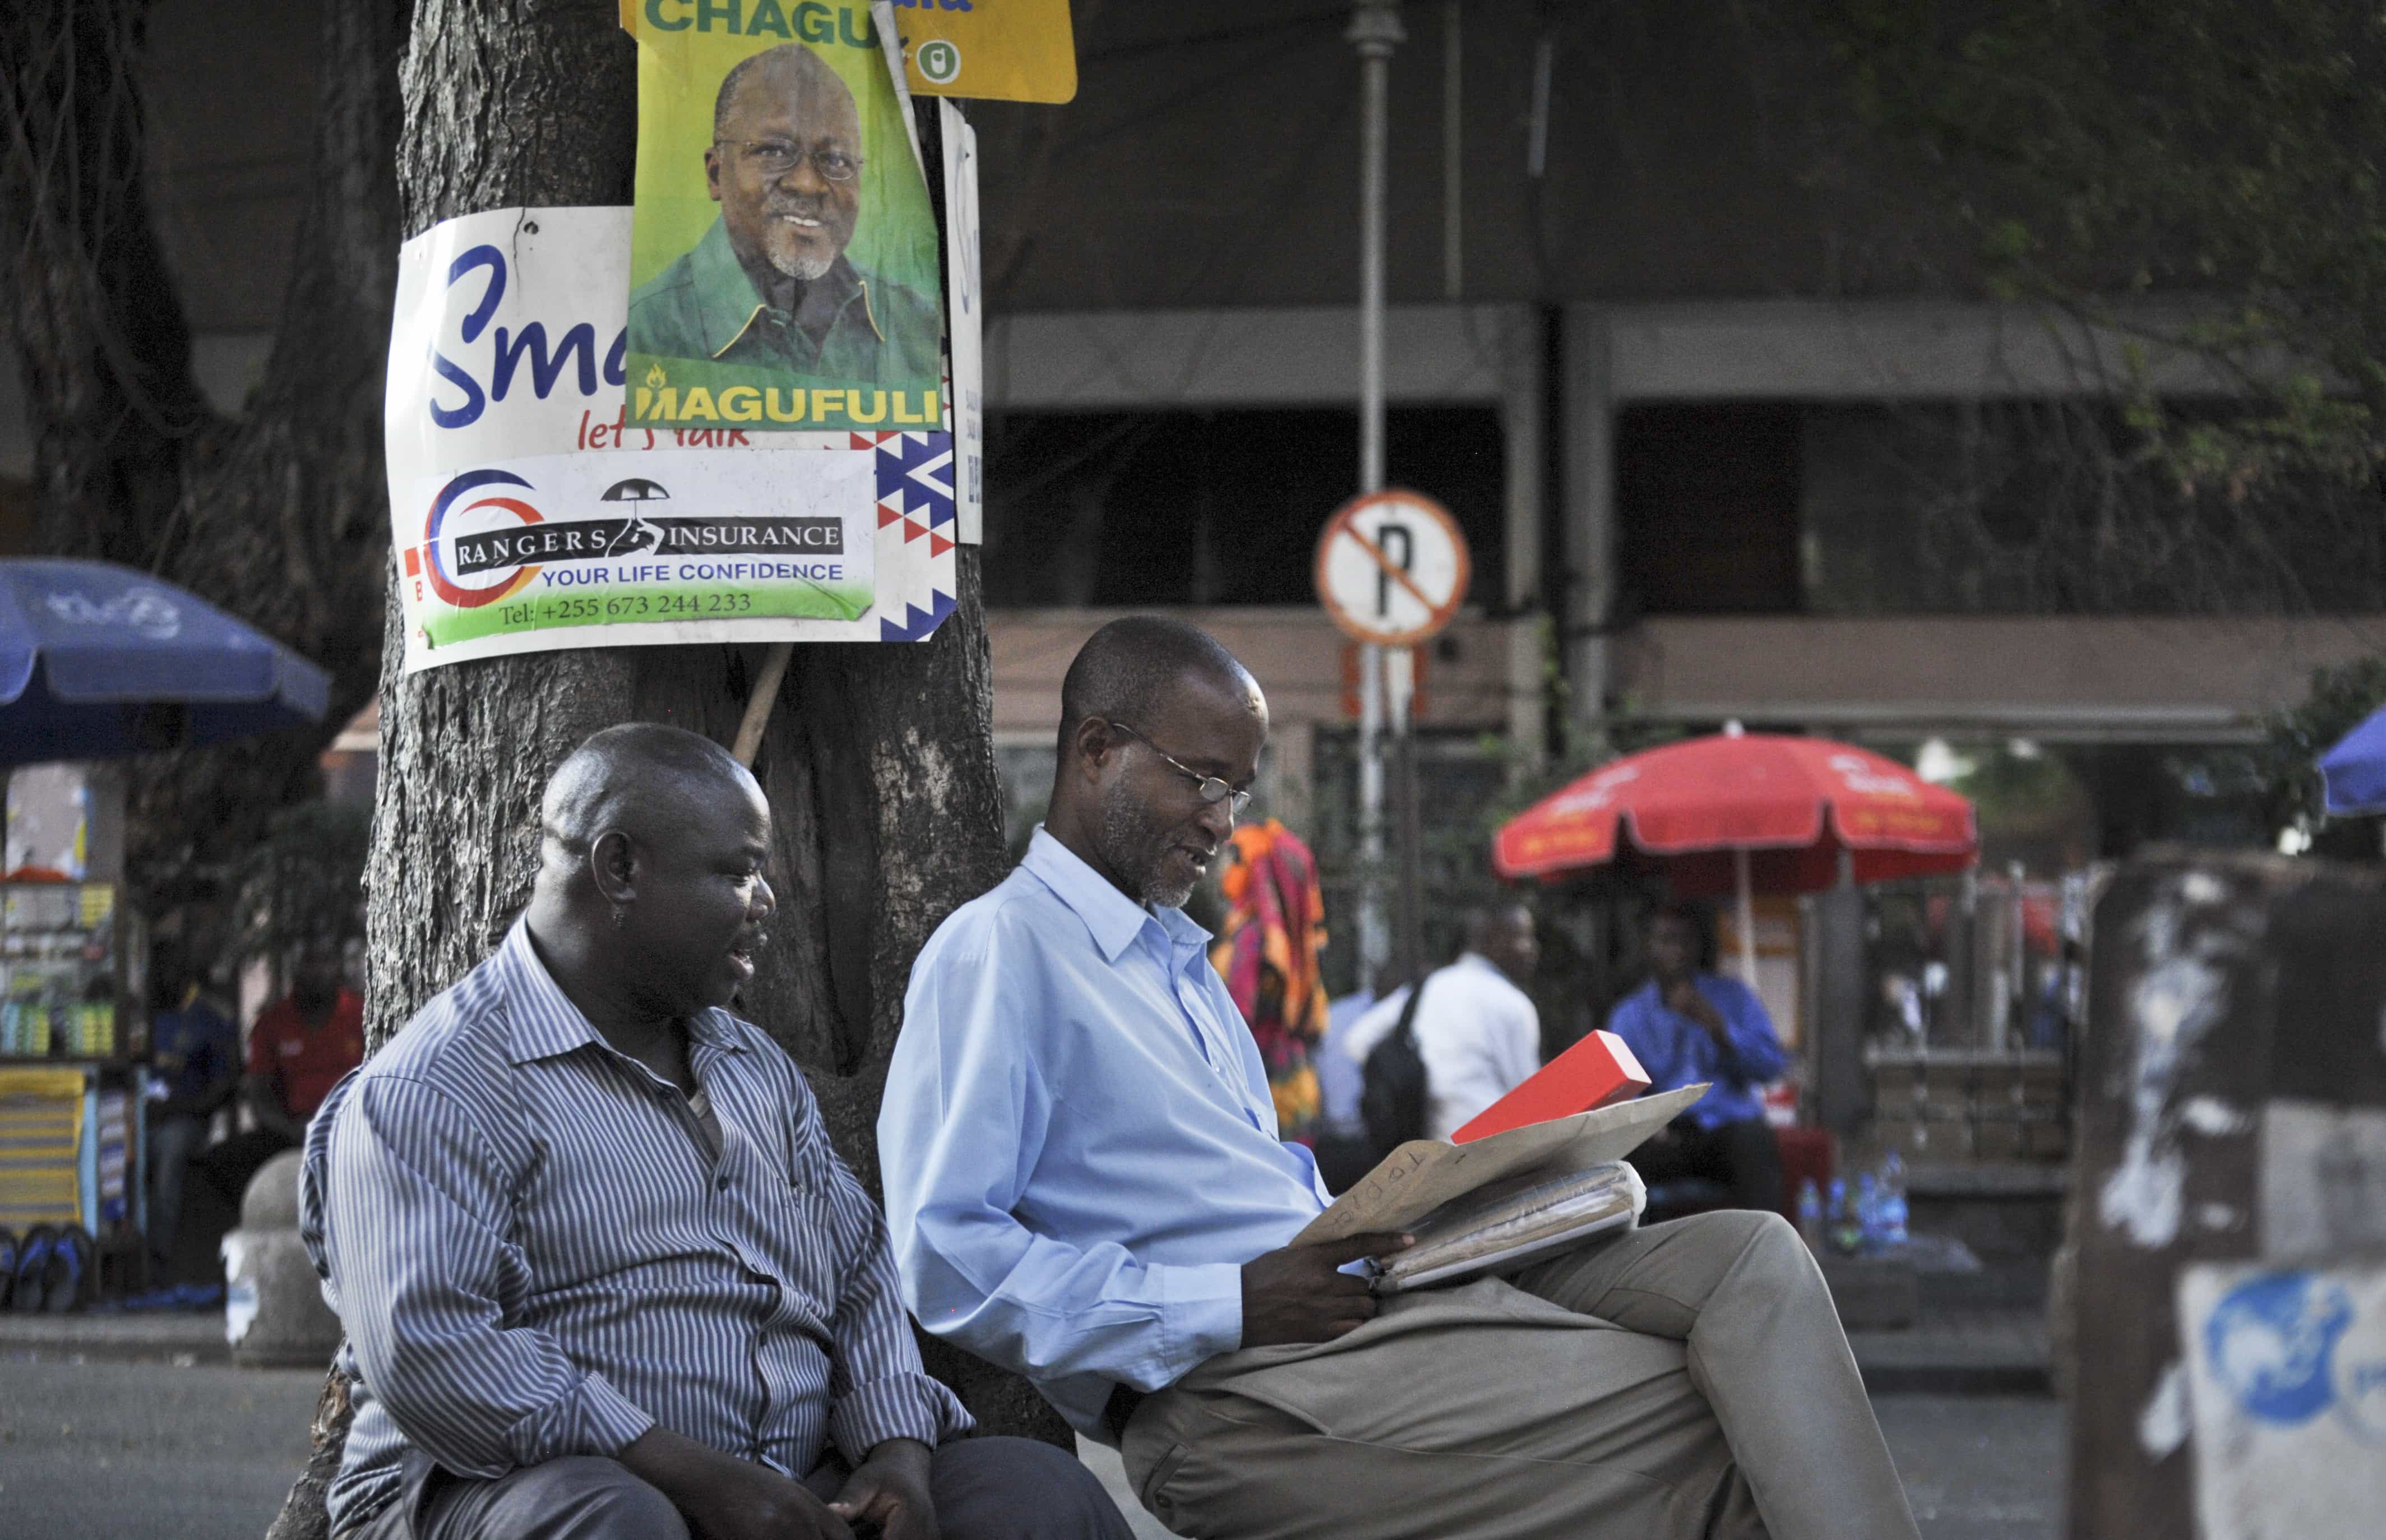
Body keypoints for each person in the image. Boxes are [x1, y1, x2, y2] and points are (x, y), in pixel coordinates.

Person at [880, 617, 1920, 1540]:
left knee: (1752, 1258)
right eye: (1200, 780)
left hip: (1368, 1296)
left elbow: (1255, 1194)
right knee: (1725, 1417)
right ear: (1096, 750)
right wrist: (1224, 1302)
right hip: (1239, 1393)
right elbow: (948, 1261)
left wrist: (1447, 1204)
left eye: (1236, 790)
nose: (1222, 820)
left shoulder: (1181, 966)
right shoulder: (999, 951)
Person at [300, 724, 1130, 1540]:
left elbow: (860, 1270)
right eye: (738, 872)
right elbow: (435, 1353)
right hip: (512, 1489)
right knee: (615, 1519)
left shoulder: (752, 1066)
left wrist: (896, 1452)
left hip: (786, 1484)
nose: (766, 903)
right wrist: (695, 1476)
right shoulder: (437, 1087)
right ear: (619, 867)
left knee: (1037, 1491)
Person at [628, 43, 941, 382]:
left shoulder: (914, 326)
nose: (808, 184)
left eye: (836, 160)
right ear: (716, 174)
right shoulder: (646, 329)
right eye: (774, 151)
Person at [1607, 900, 1791, 1216]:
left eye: (1682, 940)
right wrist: (1647, 1122)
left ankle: (1765, 1251)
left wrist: (1719, 1028)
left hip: (1727, 1129)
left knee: (1755, 1141)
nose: (1674, 950)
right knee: (1622, 1163)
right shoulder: (1629, 1016)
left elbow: (1772, 1067)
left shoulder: (1733, 997)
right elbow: (1620, 1091)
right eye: (1664, 940)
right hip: (1669, 1135)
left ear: (1696, 946)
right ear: (1648, 947)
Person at [1338, 903, 1545, 1141]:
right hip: (1492, 1150)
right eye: (1521, 937)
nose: (1532, 949)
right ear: (1491, 940)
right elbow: (1531, 1103)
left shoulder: (1431, 986)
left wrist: (1410, 1082)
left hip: (1428, 1148)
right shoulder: (1515, 1004)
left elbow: (1356, 1042)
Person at [188, 939, 364, 1218]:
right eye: (308, 963)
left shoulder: (361, 1013)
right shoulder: (273, 1022)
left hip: (352, 1127)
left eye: (325, 962)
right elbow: (258, 1088)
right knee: (221, 1161)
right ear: (295, 970)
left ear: (338, 968)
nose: (316, 972)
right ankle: (257, 1221)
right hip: (291, 1129)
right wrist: (290, 1128)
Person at [144, 969, 239, 1273]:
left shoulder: (209, 1019)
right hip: (138, 1118)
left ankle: (158, 1257)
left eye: (168, 969)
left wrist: (178, 1109)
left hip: (184, 1122)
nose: (162, 978)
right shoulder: (139, 1014)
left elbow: (223, 1086)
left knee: (169, 1157)